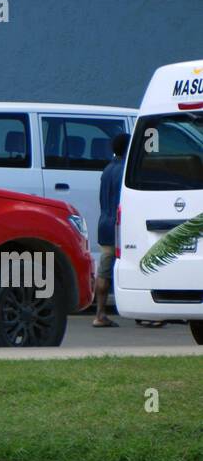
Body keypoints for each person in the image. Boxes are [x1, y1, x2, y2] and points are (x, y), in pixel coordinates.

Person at [93, 133, 130, 328]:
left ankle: (100, 312)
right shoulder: (126, 170)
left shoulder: (107, 169)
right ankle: (147, 314)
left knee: (104, 271)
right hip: (120, 225)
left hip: (104, 223)